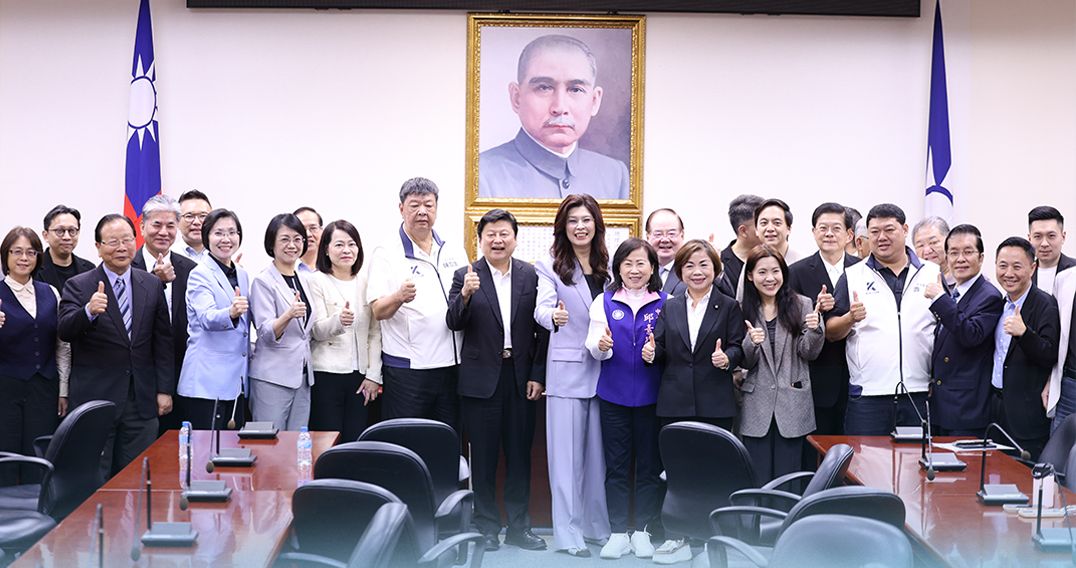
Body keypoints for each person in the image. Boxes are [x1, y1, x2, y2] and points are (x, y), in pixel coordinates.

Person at [446, 209, 547, 553]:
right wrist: (465, 295)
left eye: (504, 234)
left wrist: (537, 375)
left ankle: (519, 527)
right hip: (480, 382)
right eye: (490, 234)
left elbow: (541, 329)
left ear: (515, 239)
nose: (498, 240)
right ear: (480, 240)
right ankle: (486, 526)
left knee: (519, 457)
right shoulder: (465, 275)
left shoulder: (530, 275)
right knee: (484, 459)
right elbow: (453, 322)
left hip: (519, 378)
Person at [58, 214, 173, 479]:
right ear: (98, 247)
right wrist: (88, 311)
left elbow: (162, 341)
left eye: (127, 240)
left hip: (140, 398)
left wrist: (164, 389)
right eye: (113, 242)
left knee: (137, 476)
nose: (122, 247)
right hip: (96, 398)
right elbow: (65, 330)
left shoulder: (151, 283)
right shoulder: (79, 285)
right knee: (94, 477)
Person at [534, 193, 611, 557]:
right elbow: (541, 309)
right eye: (573, 221)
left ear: (596, 224)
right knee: (565, 462)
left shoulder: (609, 264)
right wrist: (554, 317)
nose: (580, 227)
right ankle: (567, 535)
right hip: (567, 374)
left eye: (586, 220)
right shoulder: (550, 264)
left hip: (606, 372)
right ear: (563, 227)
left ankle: (596, 528)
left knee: (597, 460)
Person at [825, 204, 940, 435]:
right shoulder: (853, 275)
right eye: (874, 232)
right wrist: (849, 318)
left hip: (918, 392)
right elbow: (830, 331)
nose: (881, 237)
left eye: (889, 230)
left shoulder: (932, 272)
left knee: (914, 457)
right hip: (868, 395)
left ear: (905, 229)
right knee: (865, 458)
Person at [584, 238, 666, 560]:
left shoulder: (666, 302)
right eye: (627, 263)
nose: (634, 270)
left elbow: (671, 349)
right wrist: (601, 346)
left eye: (641, 263)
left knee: (648, 467)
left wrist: (656, 353)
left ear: (652, 268)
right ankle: (618, 532)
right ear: (618, 268)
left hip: (652, 398)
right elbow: (593, 346)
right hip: (613, 397)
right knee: (616, 467)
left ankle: (643, 531)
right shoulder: (603, 301)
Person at [367, 178, 466, 432]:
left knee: (446, 439)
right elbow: (377, 311)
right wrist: (398, 297)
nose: (422, 211)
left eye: (428, 205)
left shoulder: (453, 249)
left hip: (451, 366)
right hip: (408, 369)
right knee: (406, 440)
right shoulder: (386, 251)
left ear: (436, 208)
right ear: (401, 208)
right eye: (414, 205)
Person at [479, 34, 628, 200]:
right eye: (544, 88)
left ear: (594, 101)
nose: (560, 107)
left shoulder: (615, 175)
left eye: (576, 89)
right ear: (516, 98)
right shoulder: (481, 174)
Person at [739, 245, 823, 482]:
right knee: (757, 478)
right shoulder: (742, 308)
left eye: (775, 271)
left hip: (793, 402)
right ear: (750, 275)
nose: (770, 278)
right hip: (756, 405)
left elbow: (809, 353)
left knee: (790, 478)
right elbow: (743, 361)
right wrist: (751, 343)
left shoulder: (803, 304)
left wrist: (815, 329)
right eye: (762, 272)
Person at [647, 239, 745, 427]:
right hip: (674, 403)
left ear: (715, 268)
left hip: (715, 404)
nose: (697, 272)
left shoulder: (729, 306)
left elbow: (737, 347)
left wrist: (726, 358)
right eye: (689, 266)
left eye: (704, 265)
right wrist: (651, 352)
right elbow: (659, 346)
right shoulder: (670, 306)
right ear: (680, 271)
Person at [0, 227, 70, 486]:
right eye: (16, 251)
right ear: (5, 256)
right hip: (6, 388)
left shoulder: (51, 292)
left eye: (31, 252)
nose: (24, 258)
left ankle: (37, 506)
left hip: (44, 387)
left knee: (39, 455)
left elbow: (62, 346)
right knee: (6, 455)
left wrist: (63, 389)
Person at [176, 209, 251, 430]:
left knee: (233, 447)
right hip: (206, 382)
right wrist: (231, 313)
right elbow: (206, 317)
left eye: (232, 232)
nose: (226, 239)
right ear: (207, 236)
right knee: (205, 448)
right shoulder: (199, 273)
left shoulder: (242, 274)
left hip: (236, 381)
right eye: (219, 233)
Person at [788, 203, 859, 438]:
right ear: (813, 232)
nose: (829, 234)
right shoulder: (796, 272)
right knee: (820, 445)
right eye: (823, 228)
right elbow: (790, 323)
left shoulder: (863, 270)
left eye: (836, 228)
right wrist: (814, 311)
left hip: (859, 374)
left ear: (849, 234)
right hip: (817, 374)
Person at [308, 219, 382, 442]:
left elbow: (375, 333)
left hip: (360, 376)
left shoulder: (366, 282)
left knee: (356, 440)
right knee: (327, 441)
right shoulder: (316, 280)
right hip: (326, 374)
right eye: (339, 245)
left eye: (352, 244)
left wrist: (373, 375)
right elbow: (316, 330)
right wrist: (338, 321)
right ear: (326, 250)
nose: (346, 250)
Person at [130, 195, 197, 435]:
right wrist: (154, 282)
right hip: (139, 376)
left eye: (170, 226)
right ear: (142, 226)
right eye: (156, 225)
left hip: (182, 374)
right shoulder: (127, 265)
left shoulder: (190, 269)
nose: (163, 232)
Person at [927, 224, 1003, 436]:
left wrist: (939, 299)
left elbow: (970, 334)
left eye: (968, 252)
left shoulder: (989, 296)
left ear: (981, 257)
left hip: (966, 407)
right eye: (953, 253)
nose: (960, 259)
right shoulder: (955, 292)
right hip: (942, 403)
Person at [991, 237, 1058, 460]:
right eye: (1003, 266)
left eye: (1017, 266)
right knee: (994, 475)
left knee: (1024, 477)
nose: (1009, 273)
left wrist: (1024, 334)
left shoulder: (1045, 304)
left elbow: (1050, 355)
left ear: (1033, 268)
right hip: (996, 410)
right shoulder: (1000, 303)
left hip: (1026, 418)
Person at [249, 213, 316, 431]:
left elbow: (307, 330)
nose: (292, 245)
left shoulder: (304, 279)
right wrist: (288, 315)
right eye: (285, 239)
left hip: (302, 376)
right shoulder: (263, 281)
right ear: (272, 243)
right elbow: (265, 332)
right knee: (268, 442)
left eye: (297, 239)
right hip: (272, 378)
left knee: (297, 442)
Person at [1046, 246, 1076, 431]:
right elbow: (1056, 337)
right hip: (1069, 385)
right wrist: (1051, 380)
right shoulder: (1065, 279)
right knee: (1060, 445)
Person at [34, 205, 94, 292]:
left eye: (72, 231)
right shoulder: (34, 268)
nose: (67, 237)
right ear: (46, 235)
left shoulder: (89, 269)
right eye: (60, 231)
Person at [720, 194, 764, 299]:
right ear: (743, 231)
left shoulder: (775, 257)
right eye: (762, 223)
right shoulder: (721, 264)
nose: (768, 228)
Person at [1028, 206, 1075, 295]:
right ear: (1030, 239)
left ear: (1063, 237)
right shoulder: (1025, 273)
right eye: (1038, 236)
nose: (1044, 244)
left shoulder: (1074, 270)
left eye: (1051, 236)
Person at [754, 198, 801, 266]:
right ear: (756, 230)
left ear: (789, 229)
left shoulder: (802, 263)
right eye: (764, 223)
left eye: (777, 223)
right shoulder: (751, 264)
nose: (770, 229)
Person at [174, 190, 212, 262]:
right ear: (177, 220)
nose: (196, 222)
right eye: (189, 216)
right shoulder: (168, 255)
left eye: (203, 216)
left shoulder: (222, 255)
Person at [912, 216, 951, 286]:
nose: (927, 251)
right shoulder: (913, 282)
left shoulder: (963, 277)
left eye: (933, 242)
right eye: (920, 245)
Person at [294, 206, 324, 274]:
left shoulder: (334, 267)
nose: (308, 234)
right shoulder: (284, 269)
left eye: (313, 228)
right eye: (302, 229)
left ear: (322, 231)